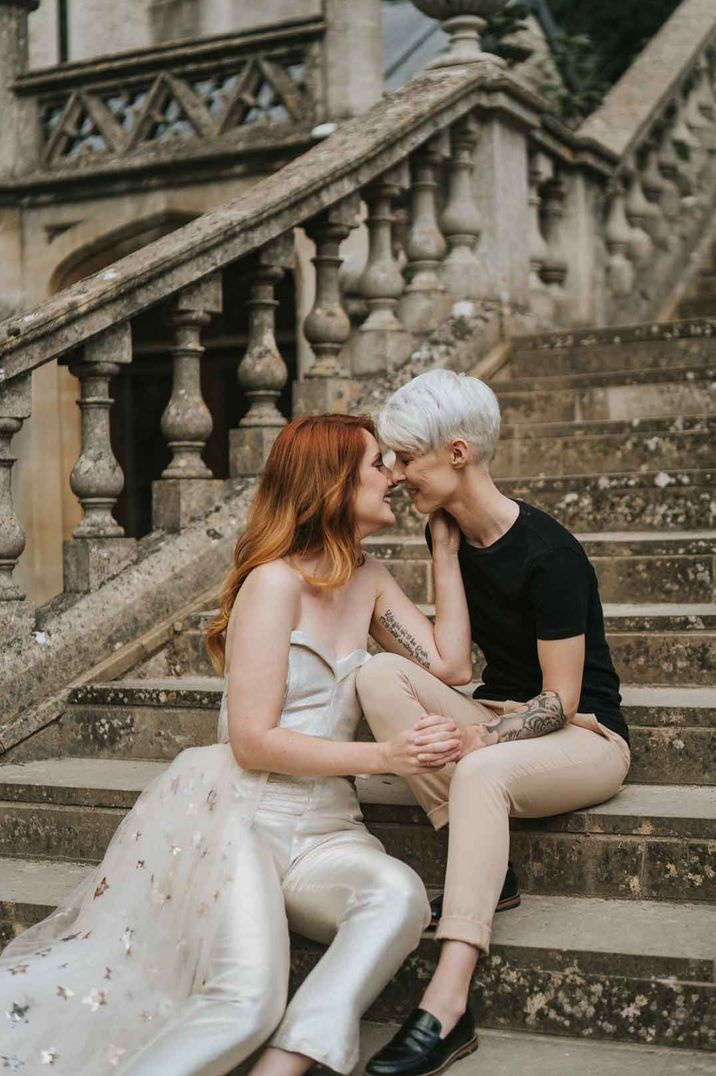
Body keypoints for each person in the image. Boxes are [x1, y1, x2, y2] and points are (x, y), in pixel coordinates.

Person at [0, 413, 472, 1076]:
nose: (391, 477)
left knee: (400, 895)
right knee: (248, 998)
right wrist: (383, 758)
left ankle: (287, 1062)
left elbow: (449, 666)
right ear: (331, 482)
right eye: (376, 464)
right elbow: (253, 742)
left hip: (326, 834)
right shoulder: (273, 583)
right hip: (240, 821)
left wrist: (444, 551)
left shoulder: (367, 579)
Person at [357, 369, 632, 1076]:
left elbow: (561, 700)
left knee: (480, 764)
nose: (393, 475)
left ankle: (446, 1005)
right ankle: (487, 863)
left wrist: (480, 738)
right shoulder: (452, 538)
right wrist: (444, 556)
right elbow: (450, 666)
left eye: (404, 458)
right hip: (496, 713)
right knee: (378, 674)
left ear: (457, 453)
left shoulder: (549, 551)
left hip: (584, 735)